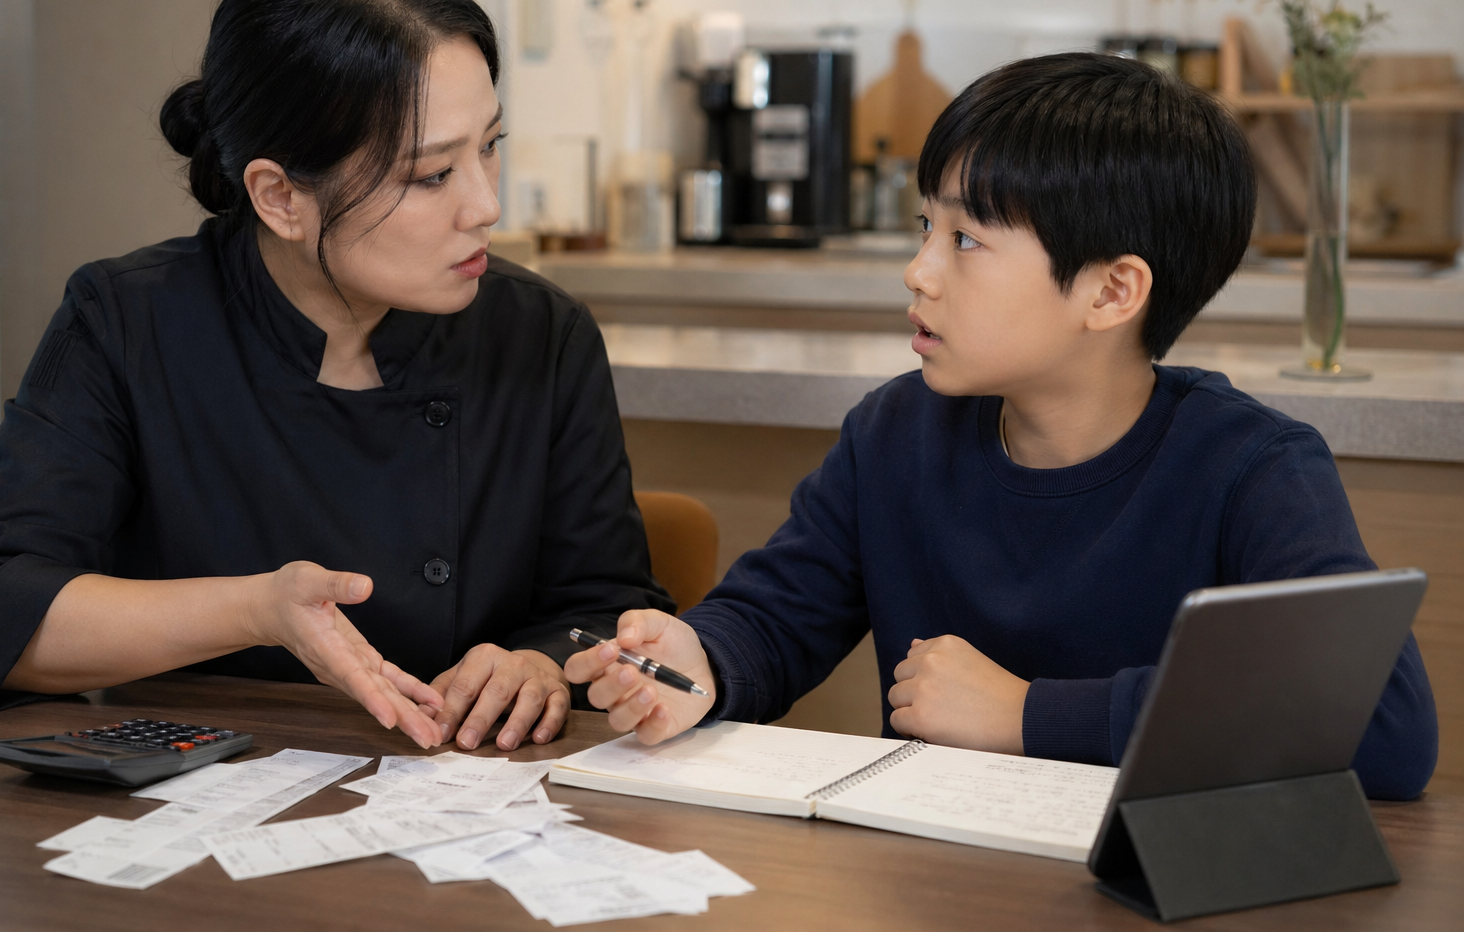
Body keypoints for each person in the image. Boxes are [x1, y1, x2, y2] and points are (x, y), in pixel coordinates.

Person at [566, 53, 1439, 800]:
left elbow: (1385, 727)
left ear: (1111, 291)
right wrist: (697, 661)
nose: (918, 271)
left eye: (967, 241)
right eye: (924, 227)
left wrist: (1026, 713)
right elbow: (776, 620)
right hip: (939, 880)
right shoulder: (897, 434)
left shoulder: (1251, 468)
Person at [0, 0, 672, 752]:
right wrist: (256, 611)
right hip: (194, 811)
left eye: (490, 146)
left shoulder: (541, 334)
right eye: (430, 176)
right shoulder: (128, 322)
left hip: (467, 803)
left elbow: (606, 611)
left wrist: (538, 664)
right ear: (280, 196)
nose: (485, 204)